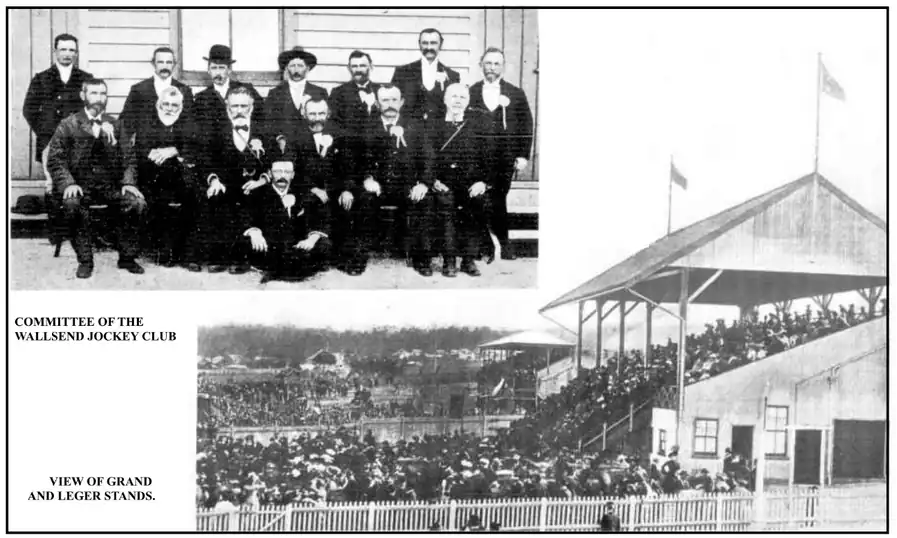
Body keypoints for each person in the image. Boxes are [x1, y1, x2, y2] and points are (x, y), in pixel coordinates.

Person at [46, 78, 146, 279]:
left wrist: (128, 182)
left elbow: (129, 159)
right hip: (80, 185)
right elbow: (56, 160)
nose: (99, 98)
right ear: (83, 96)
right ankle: (85, 261)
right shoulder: (69, 124)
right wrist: (68, 183)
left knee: (136, 203)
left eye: (103, 94)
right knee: (73, 204)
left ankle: (126, 257)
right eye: (94, 93)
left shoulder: (116, 125)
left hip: (110, 186)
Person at [357, 84, 435, 276]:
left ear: (401, 102)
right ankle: (358, 258)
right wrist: (367, 178)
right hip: (378, 186)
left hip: (407, 185)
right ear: (376, 103)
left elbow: (428, 157)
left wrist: (423, 183)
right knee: (364, 199)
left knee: (424, 201)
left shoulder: (415, 126)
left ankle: (422, 258)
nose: (390, 104)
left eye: (394, 100)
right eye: (384, 100)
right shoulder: (366, 127)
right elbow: (356, 158)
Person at [196, 86, 271, 274]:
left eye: (243, 106)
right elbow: (205, 158)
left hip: (253, 184)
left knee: (256, 202)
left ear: (252, 107)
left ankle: (242, 258)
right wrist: (213, 179)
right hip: (225, 183)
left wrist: (262, 180)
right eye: (234, 106)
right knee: (217, 199)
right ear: (227, 106)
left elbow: (273, 159)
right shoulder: (215, 129)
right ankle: (220, 257)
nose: (239, 110)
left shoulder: (263, 129)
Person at [468, 47, 533, 260]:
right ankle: (484, 245)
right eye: (488, 63)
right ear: (481, 65)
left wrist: (523, 155)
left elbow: (526, 125)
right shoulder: (471, 92)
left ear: (503, 67)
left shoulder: (515, 93)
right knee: (478, 200)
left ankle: (505, 245)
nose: (492, 67)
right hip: (477, 158)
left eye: (496, 63)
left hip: (504, 159)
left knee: (498, 200)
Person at [123, 86, 198, 267]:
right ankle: (163, 249)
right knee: (157, 195)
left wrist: (174, 150)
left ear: (181, 107)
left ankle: (185, 252)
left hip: (180, 177)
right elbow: (140, 150)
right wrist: (155, 153)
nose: (169, 108)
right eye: (165, 104)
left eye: (174, 105)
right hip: (151, 175)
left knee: (193, 195)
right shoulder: (147, 122)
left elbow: (195, 148)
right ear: (158, 105)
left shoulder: (189, 123)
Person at [428, 83, 494, 277]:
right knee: (445, 203)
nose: (457, 101)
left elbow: (489, 157)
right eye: (453, 96)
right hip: (443, 182)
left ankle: (468, 259)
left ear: (468, 101)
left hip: (470, 183)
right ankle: (449, 259)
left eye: (462, 97)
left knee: (477, 202)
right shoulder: (433, 124)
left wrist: (483, 182)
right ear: (445, 99)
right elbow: (424, 155)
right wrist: (432, 180)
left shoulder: (478, 124)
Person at [289, 98, 359, 274]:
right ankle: (317, 254)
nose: (317, 118)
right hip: (308, 189)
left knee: (349, 204)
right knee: (311, 203)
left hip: (336, 189)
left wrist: (347, 189)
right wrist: (312, 188)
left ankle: (347, 258)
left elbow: (349, 166)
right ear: (304, 114)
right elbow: (292, 169)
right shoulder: (295, 137)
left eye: (321, 113)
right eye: (312, 113)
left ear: (328, 114)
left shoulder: (341, 135)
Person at [241, 155, 331, 283]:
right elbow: (246, 216)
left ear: (293, 175)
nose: (282, 176)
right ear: (270, 173)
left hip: (297, 244)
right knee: (249, 243)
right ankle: (291, 266)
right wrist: (254, 232)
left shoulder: (304, 193)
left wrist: (312, 239)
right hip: (270, 243)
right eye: (278, 171)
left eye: (287, 172)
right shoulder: (258, 193)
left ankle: (280, 268)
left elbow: (319, 218)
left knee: (323, 245)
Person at [23, 33, 94, 167]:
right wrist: (44, 131)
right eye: (63, 49)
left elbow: (93, 106)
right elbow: (29, 110)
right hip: (50, 137)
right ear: (55, 51)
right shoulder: (41, 78)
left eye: (71, 50)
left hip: (78, 138)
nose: (67, 54)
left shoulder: (86, 78)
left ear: (76, 53)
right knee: (52, 180)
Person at [118, 46, 194, 152]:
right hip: (145, 155)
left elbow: (189, 125)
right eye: (161, 62)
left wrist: (177, 150)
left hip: (173, 154)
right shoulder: (139, 90)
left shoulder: (184, 91)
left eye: (169, 62)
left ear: (174, 64)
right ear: (153, 63)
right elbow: (126, 122)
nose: (165, 66)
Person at [391, 28, 460, 123]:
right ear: (419, 44)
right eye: (425, 43)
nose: (429, 47)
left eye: (433, 43)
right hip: (409, 132)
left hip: (439, 133)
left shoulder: (452, 76)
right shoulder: (402, 72)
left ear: (441, 44)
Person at [193, 45, 265, 137]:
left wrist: (256, 138)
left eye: (222, 68)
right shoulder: (201, 98)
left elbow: (262, 117)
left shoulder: (247, 90)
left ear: (229, 70)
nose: (218, 73)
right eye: (214, 68)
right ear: (208, 71)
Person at [266, 47, 328, 149]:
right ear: (286, 68)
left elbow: (327, 120)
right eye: (292, 66)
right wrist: (278, 137)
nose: (296, 70)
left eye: (300, 66)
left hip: (311, 148)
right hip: (284, 147)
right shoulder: (275, 93)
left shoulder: (319, 92)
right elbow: (268, 122)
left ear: (307, 68)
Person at [329, 50, 381, 135]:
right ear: (349, 68)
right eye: (354, 66)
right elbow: (333, 123)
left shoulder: (380, 90)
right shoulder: (338, 93)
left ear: (371, 67)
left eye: (362, 66)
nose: (358, 70)